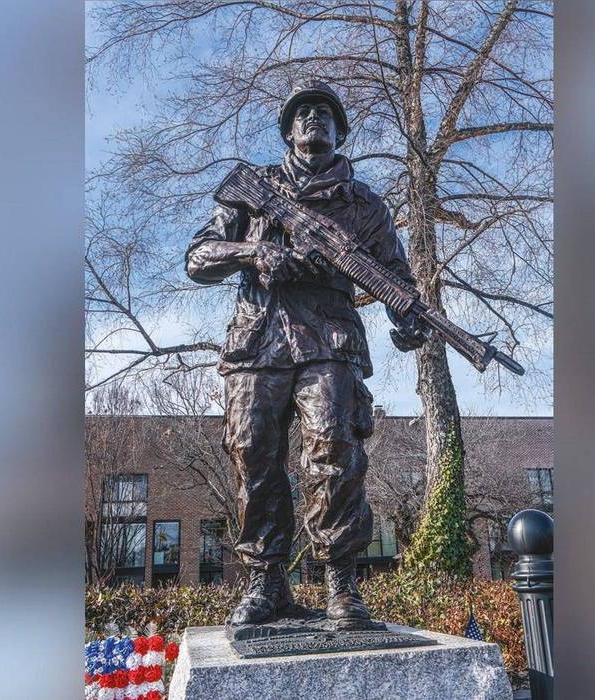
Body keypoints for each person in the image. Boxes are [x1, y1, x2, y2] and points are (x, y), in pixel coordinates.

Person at [185, 80, 425, 629]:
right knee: (252, 455)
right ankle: (267, 585)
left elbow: (399, 282)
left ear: (340, 131)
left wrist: (410, 323)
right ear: (288, 130)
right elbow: (198, 257)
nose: (314, 119)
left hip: (329, 341)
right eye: (303, 112)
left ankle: (341, 585)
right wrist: (254, 252)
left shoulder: (365, 205)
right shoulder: (254, 189)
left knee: (334, 453)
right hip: (257, 339)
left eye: (325, 113)